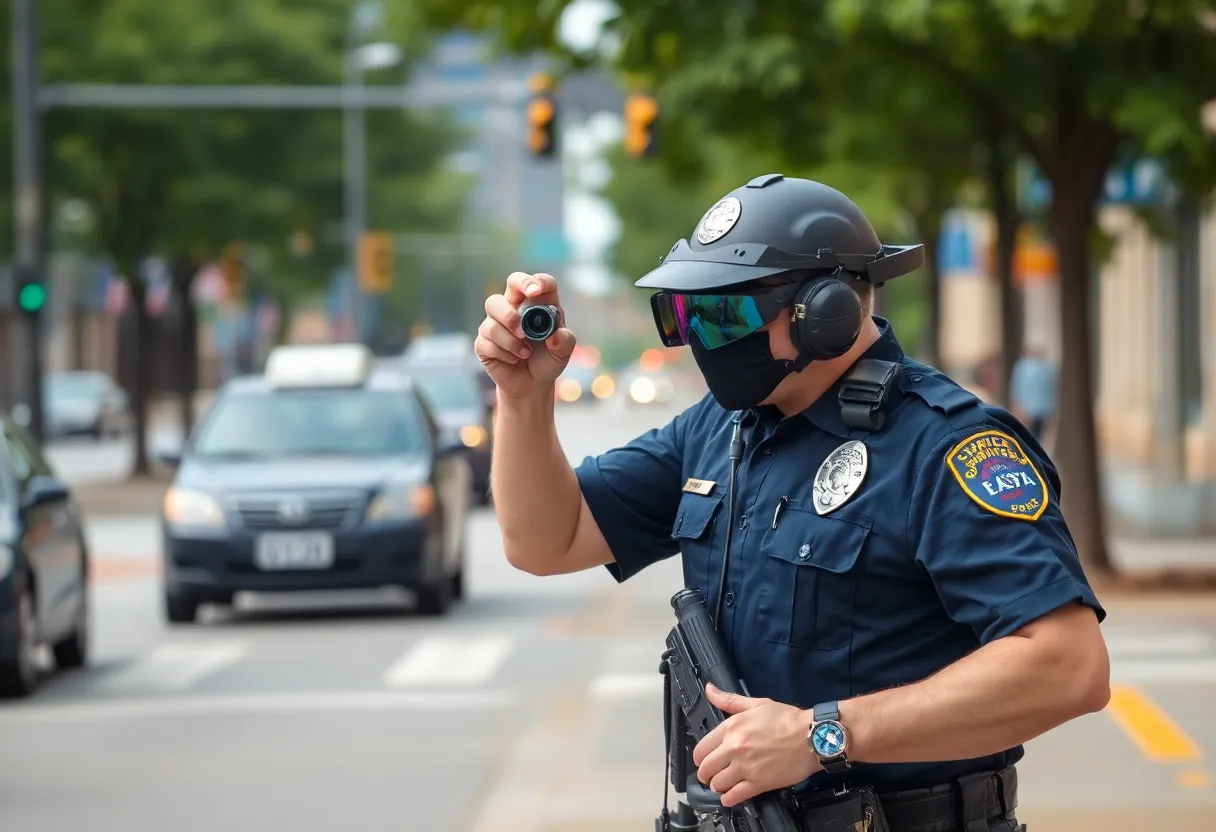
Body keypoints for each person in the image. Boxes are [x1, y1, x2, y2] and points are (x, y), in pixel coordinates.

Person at [476, 174, 1109, 832]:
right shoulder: (720, 428)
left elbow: (1069, 667)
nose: (703, 339)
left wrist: (821, 736)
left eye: (727, 315)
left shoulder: (944, 447)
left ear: (825, 311)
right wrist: (522, 397)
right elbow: (547, 539)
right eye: (687, 316)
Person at [1010, 342, 1058, 440]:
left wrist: (1051, 411)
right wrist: (1018, 407)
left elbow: (1051, 391)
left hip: (1043, 410)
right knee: (1028, 436)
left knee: (1040, 437)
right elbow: (1017, 388)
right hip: (1028, 410)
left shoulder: (1047, 368)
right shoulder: (1023, 367)